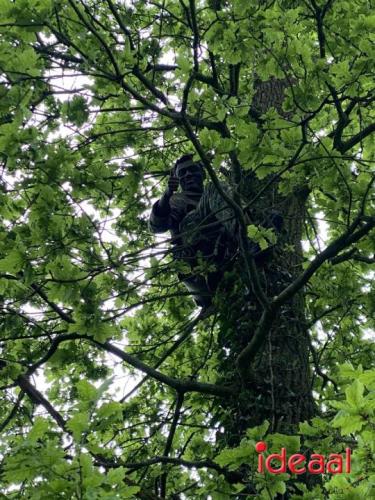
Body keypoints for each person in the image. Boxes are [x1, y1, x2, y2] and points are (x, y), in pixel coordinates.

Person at [149, 155, 238, 307]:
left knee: (221, 191)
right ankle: (247, 238)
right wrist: (167, 194)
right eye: (182, 173)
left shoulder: (218, 194)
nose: (188, 175)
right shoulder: (178, 199)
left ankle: (250, 235)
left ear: (203, 173)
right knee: (214, 189)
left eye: (192, 170)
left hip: (225, 254)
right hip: (196, 262)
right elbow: (157, 226)